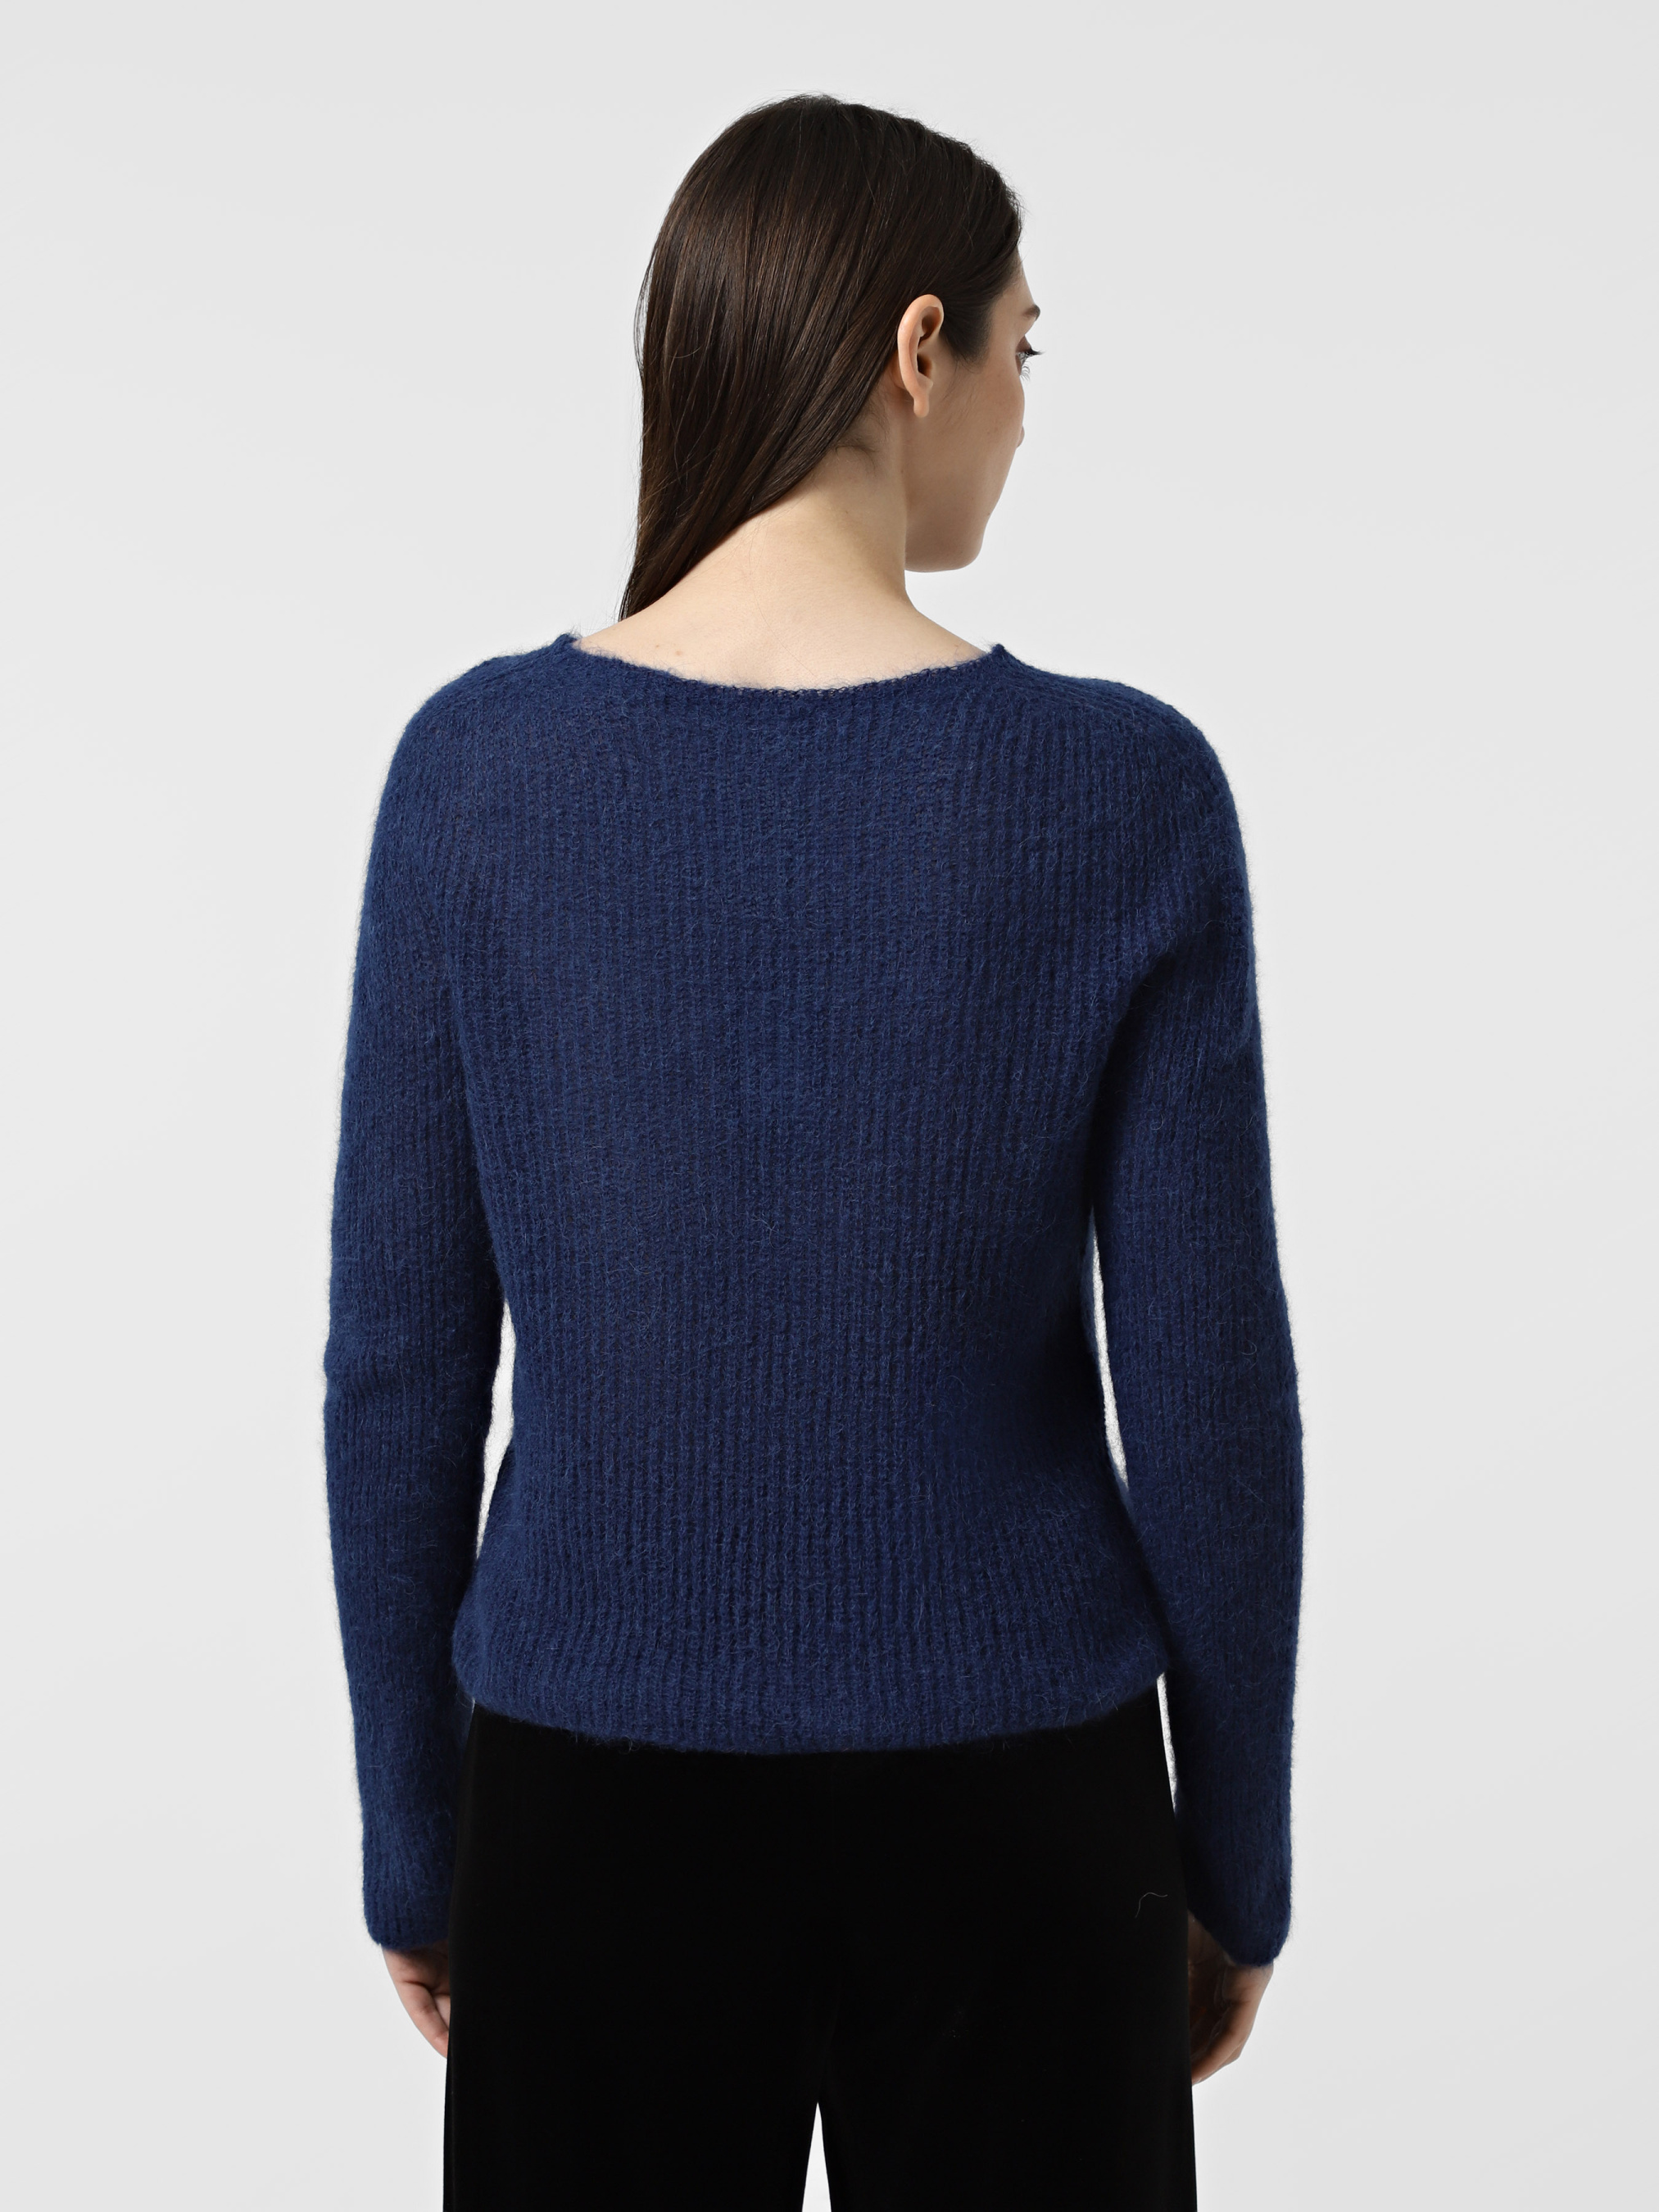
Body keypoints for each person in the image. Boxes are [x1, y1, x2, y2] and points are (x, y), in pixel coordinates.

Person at [323, 93, 1303, 2210]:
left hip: (589, 1793)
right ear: (914, 347)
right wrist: (1235, 1855)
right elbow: (1211, 1387)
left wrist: (419, 1832)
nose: (1024, 413)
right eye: (1024, 350)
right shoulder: (1122, 794)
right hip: (1025, 1801)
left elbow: (399, 1367)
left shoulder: (476, 776)